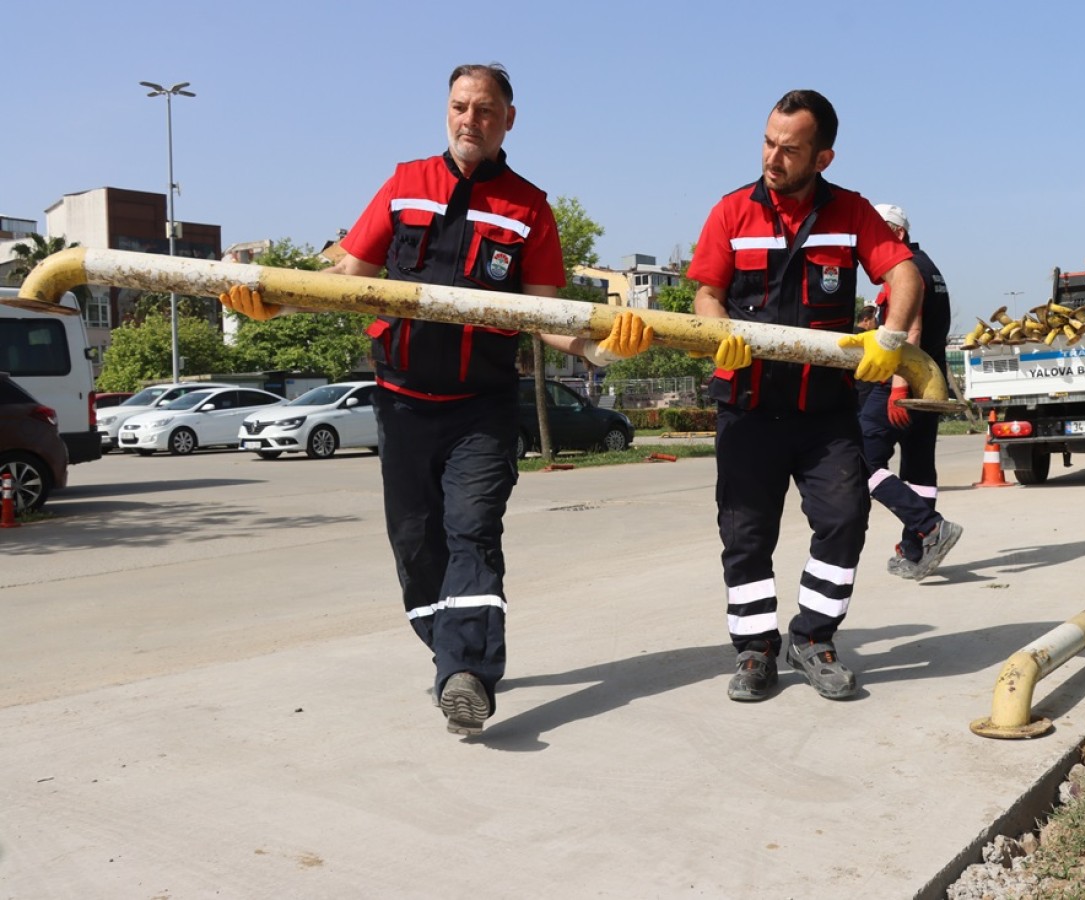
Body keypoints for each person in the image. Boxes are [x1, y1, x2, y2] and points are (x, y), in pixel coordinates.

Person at [219, 63, 651, 737]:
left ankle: (466, 674)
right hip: (400, 403)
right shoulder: (404, 184)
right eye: (458, 106)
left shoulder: (529, 207)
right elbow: (346, 277)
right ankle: (452, 653)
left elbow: (548, 314)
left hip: (481, 405)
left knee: (472, 530)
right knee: (416, 546)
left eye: (484, 109)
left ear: (509, 120)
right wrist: (269, 299)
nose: (469, 120)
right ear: (445, 112)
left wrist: (603, 348)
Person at [684, 88, 924, 703]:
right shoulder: (731, 212)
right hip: (747, 406)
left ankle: (813, 638)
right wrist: (720, 334)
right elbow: (706, 293)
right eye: (768, 142)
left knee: (845, 521)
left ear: (823, 158)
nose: (772, 158)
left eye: (790, 149)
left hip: (824, 414)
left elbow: (904, 274)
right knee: (745, 534)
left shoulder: (850, 213)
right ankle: (755, 649)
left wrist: (891, 339)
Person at [858, 204, 962, 581]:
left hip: (901, 383)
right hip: (929, 385)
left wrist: (897, 390)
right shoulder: (930, 266)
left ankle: (928, 526)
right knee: (918, 467)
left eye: (877, 234)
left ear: (897, 233)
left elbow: (910, 332)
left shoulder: (909, 270)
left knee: (861, 461)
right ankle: (918, 552)